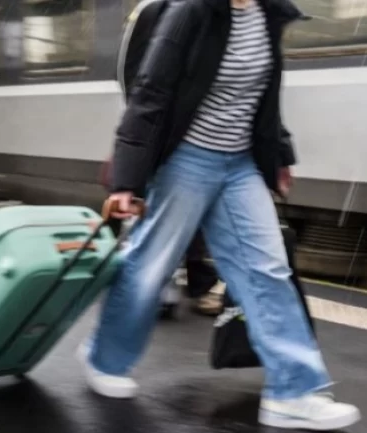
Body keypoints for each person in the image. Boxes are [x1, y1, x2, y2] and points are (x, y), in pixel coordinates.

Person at [78, 0, 361, 430]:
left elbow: (264, 97)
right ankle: (105, 357)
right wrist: (127, 181)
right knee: (150, 265)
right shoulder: (190, 12)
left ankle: (293, 392)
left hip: (240, 164)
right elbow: (150, 93)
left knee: (268, 269)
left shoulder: (268, 13)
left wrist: (279, 155)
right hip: (186, 160)